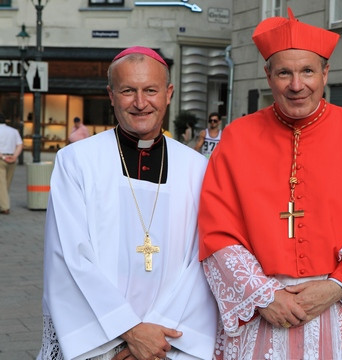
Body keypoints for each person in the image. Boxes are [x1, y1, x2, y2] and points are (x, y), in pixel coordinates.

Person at [198, 8, 342, 359]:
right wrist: (264, 296)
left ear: (325, 73)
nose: (297, 85)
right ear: (269, 76)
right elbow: (217, 232)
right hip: (262, 313)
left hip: (338, 310)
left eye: (308, 71)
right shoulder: (237, 137)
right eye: (285, 72)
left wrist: (338, 285)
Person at [38, 46, 217, 360]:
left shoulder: (196, 167)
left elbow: (202, 260)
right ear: (110, 95)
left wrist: (155, 338)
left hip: (171, 343)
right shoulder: (77, 161)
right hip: (102, 344)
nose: (140, 102)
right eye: (127, 91)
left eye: (150, 90)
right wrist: (128, 332)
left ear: (169, 93)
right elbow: (68, 257)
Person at [0, 113, 23, 215]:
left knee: (2, 184)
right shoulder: (13, 131)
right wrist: (14, 156)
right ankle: (3, 203)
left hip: (1, 158)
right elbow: (20, 144)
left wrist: (3, 157)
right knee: (6, 183)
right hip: (11, 158)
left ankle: (5, 207)